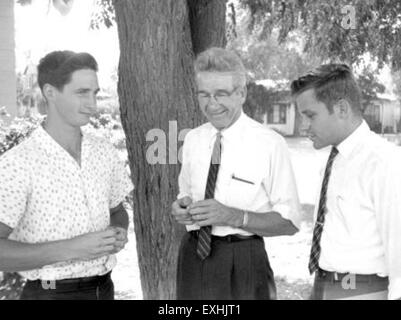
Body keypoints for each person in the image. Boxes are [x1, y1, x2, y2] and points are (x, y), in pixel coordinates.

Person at [0, 51, 133, 300]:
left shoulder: (103, 151)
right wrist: (72, 248)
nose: (92, 104)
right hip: (50, 293)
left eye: (94, 93)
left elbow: (117, 210)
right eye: (82, 93)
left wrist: (117, 232)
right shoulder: (18, 163)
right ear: (50, 92)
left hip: (104, 289)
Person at [171, 47, 301, 300]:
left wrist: (233, 216)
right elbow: (185, 194)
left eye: (221, 94)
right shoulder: (193, 140)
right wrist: (182, 207)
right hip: (193, 256)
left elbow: (290, 223)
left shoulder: (269, 143)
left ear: (241, 94)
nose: (212, 104)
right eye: (204, 95)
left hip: (244, 260)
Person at [291, 63, 401, 300]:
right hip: (324, 285)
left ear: (341, 108)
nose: (303, 127)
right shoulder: (333, 159)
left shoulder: (384, 163)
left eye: (310, 115)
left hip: (363, 291)